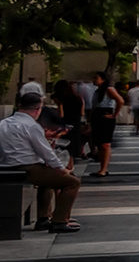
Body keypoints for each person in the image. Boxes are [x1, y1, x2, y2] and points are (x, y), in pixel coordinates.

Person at [0, 92, 81, 233]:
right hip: (28, 168)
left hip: (6, 165)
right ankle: (59, 221)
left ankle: (44, 219)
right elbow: (46, 152)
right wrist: (62, 169)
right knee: (72, 182)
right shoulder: (31, 126)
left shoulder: (3, 123)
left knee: (47, 180)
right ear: (38, 109)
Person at [85, 72, 123, 177]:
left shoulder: (109, 90)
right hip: (97, 116)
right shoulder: (97, 91)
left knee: (105, 144)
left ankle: (104, 169)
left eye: (96, 78)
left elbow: (120, 101)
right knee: (99, 143)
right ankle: (102, 168)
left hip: (105, 116)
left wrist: (114, 115)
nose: (94, 80)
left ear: (103, 79)